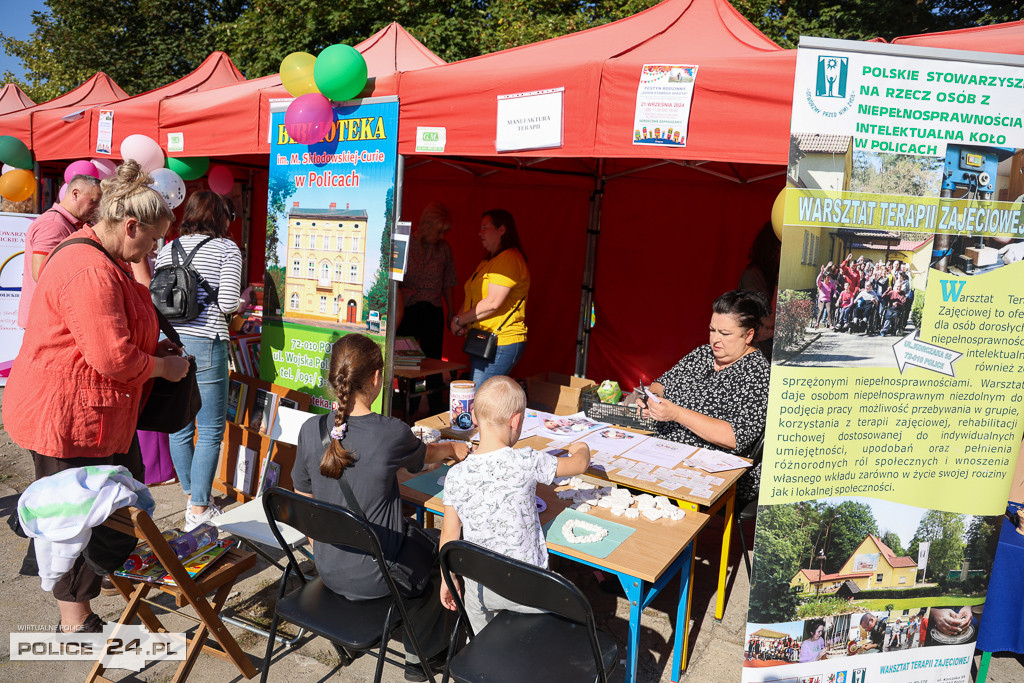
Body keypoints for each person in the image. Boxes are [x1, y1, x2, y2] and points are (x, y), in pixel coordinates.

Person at [2, 161, 188, 633]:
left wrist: (153, 346)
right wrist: (163, 367)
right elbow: (113, 358)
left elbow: (116, 338)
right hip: (70, 419)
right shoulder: (89, 268)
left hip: (96, 415)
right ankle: (74, 622)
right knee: (76, 520)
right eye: (150, 241)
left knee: (115, 510)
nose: (151, 250)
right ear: (130, 226)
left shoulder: (104, 258)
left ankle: (89, 576)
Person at [291, 333, 469, 681]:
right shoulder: (390, 432)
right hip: (376, 577)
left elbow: (303, 497)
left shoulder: (310, 430)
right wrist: (451, 449)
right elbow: (425, 457)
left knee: (422, 540)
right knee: (443, 551)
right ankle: (425, 660)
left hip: (327, 567)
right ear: (376, 378)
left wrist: (320, 547)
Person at [439, 376, 591, 633]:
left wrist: (448, 579)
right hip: (530, 588)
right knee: (561, 616)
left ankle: (481, 663)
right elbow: (579, 465)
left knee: (480, 639)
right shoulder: (527, 460)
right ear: (516, 421)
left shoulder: (456, 476)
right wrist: (582, 447)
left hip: (480, 589)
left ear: (474, 418)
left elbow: (449, 536)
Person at [154, 191, 248, 531]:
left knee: (180, 425)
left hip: (171, 344)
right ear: (220, 217)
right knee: (209, 429)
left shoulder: (167, 249)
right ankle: (198, 509)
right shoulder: (226, 249)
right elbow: (226, 304)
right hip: (208, 342)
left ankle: (193, 494)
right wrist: (243, 298)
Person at [450, 209, 529, 385]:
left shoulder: (509, 259)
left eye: (485, 227)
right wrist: (459, 318)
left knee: (480, 398)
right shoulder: (488, 261)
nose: (480, 233)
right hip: (484, 340)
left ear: (502, 230)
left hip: (501, 341)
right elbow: (472, 295)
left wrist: (459, 320)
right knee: (481, 397)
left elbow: (492, 303)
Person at [17, 174, 102, 328]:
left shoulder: (62, 223)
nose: (96, 208)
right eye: (93, 202)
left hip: (46, 320)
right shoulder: (53, 225)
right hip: (45, 322)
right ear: (75, 194)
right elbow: (42, 274)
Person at [397, 202, 457, 414]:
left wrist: (451, 311)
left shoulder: (444, 249)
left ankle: (435, 411)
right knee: (407, 365)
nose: (442, 235)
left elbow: (448, 282)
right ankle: (407, 411)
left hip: (433, 311)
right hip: (407, 311)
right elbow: (393, 280)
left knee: (433, 364)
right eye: (439, 230)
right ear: (428, 226)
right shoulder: (405, 243)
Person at [738, 221, 780, 361]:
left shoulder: (766, 274)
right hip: (759, 354)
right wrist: (780, 280)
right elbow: (769, 320)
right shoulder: (752, 276)